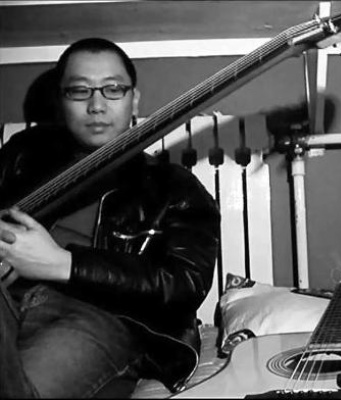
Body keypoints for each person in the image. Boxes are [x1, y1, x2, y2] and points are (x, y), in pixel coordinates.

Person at [0, 37, 220, 398]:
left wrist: (63, 264)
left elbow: (185, 283)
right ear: (60, 100)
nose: (97, 105)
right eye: (79, 91)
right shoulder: (22, 156)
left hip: (99, 315)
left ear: (135, 99)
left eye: (113, 89)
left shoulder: (173, 187)